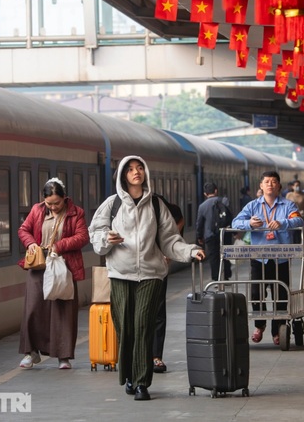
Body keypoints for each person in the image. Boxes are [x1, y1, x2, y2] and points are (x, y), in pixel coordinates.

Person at [88, 156, 205, 401]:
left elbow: (170, 239)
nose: (136, 172)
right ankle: (129, 375)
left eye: (139, 168)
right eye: (130, 169)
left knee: (143, 325)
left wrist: (190, 251)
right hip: (120, 274)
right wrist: (106, 240)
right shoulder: (112, 205)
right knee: (125, 327)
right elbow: (96, 235)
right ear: (123, 175)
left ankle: (142, 382)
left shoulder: (156, 205)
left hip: (151, 274)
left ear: (145, 173)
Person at [17, 178, 89, 370]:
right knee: (33, 308)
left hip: (63, 266)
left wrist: (59, 245)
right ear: (44, 200)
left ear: (65, 198)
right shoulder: (37, 210)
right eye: (49, 203)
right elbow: (23, 230)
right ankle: (30, 353)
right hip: (40, 264)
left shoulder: (76, 213)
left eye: (57, 203)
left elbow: (83, 237)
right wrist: (31, 243)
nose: (53, 207)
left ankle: (63, 356)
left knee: (63, 311)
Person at [231, 171, 304, 346]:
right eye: (267, 182)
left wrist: (283, 223)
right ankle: (259, 325)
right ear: (261, 186)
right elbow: (235, 222)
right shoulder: (253, 206)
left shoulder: (288, 205)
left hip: (281, 258)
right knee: (256, 293)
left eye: (273, 182)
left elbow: (299, 220)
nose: (270, 184)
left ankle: (277, 330)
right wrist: (248, 224)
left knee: (280, 295)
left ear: (279, 186)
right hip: (259, 258)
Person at [152, 200, 184, 374]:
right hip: (129, 270)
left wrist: (168, 250)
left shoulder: (157, 203)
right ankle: (136, 357)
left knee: (157, 311)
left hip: (156, 267)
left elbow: (179, 218)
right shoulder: (116, 204)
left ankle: (156, 356)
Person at [196, 182, 233, 281]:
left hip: (210, 235)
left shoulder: (202, 206)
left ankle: (216, 279)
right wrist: (234, 232)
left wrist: (199, 237)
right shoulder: (224, 201)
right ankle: (226, 276)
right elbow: (230, 216)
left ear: (205, 194)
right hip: (225, 233)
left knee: (214, 257)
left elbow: (199, 223)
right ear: (216, 190)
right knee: (226, 254)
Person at [285, 179, 304, 244]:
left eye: (299, 185)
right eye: (296, 185)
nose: (298, 187)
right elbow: (285, 204)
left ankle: (298, 247)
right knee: (291, 234)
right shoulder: (289, 195)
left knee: (299, 234)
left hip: (301, 216)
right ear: (292, 187)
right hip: (290, 217)